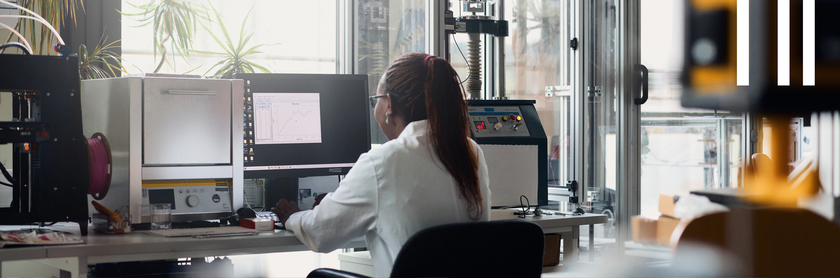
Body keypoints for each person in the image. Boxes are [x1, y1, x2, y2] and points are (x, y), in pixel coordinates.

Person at [272, 52, 491, 277]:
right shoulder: (471, 151)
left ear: (390, 105)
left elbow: (320, 233)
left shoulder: (382, 162)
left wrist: (293, 216)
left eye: (375, 100)